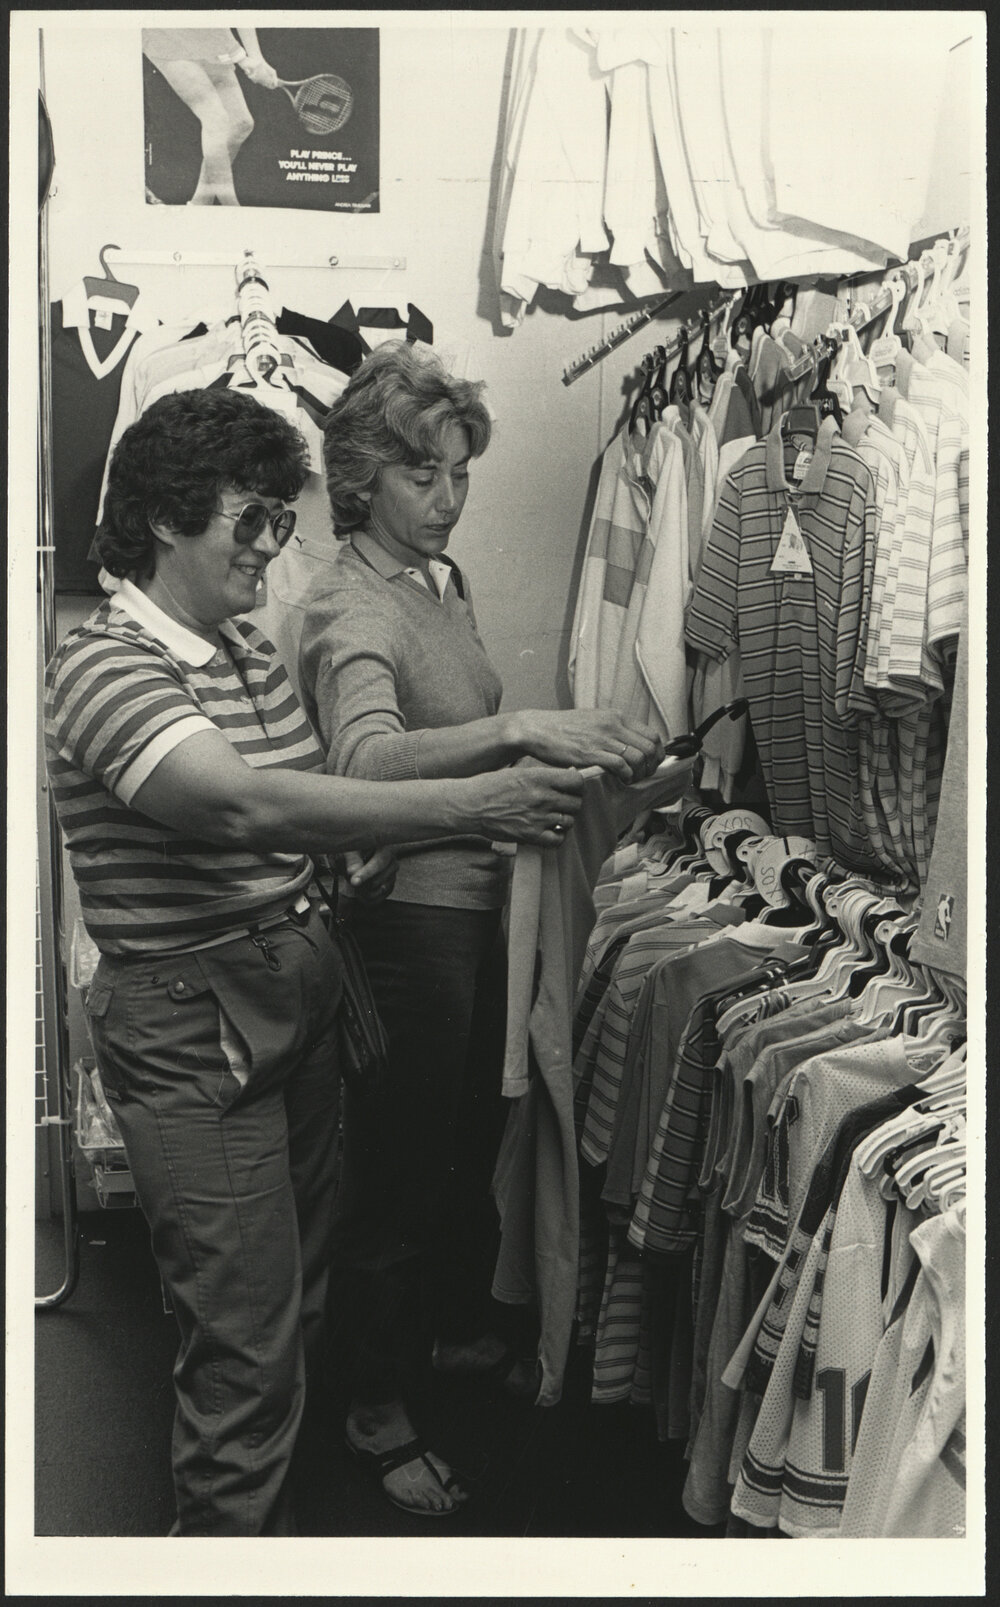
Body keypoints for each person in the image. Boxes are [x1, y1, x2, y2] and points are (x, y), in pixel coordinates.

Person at [43, 386, 589, 1536]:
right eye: (248, 521)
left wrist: (328, 889)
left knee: (293, 1303)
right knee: (242, 1343)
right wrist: (487, 790)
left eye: (276, 521)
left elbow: (296, 818)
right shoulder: (102, 665)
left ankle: (262, 1532)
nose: (271, 546)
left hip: (293, 992)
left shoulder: (240, 648)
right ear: (162, 522)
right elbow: (237, 806)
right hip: (198, 1024)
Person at [298, 342, 671, 1516]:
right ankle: (371, 1406)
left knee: (458, 1156)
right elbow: (364, 758)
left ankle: (420, 1347)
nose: (449, 497)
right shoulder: (348, 601)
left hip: (472, 917)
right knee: (397, 1179)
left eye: (460, 473)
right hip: (408, 927)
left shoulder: (434, 582)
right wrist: (526, 735)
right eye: (424, 476)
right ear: (361, 478)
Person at [141, 26, 278, 206]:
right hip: (168, 35)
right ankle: (232, 209)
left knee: (240, 123)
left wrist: (256, 58)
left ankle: (200, 204)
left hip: (209, 37)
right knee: (217, 120)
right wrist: (243, 59)